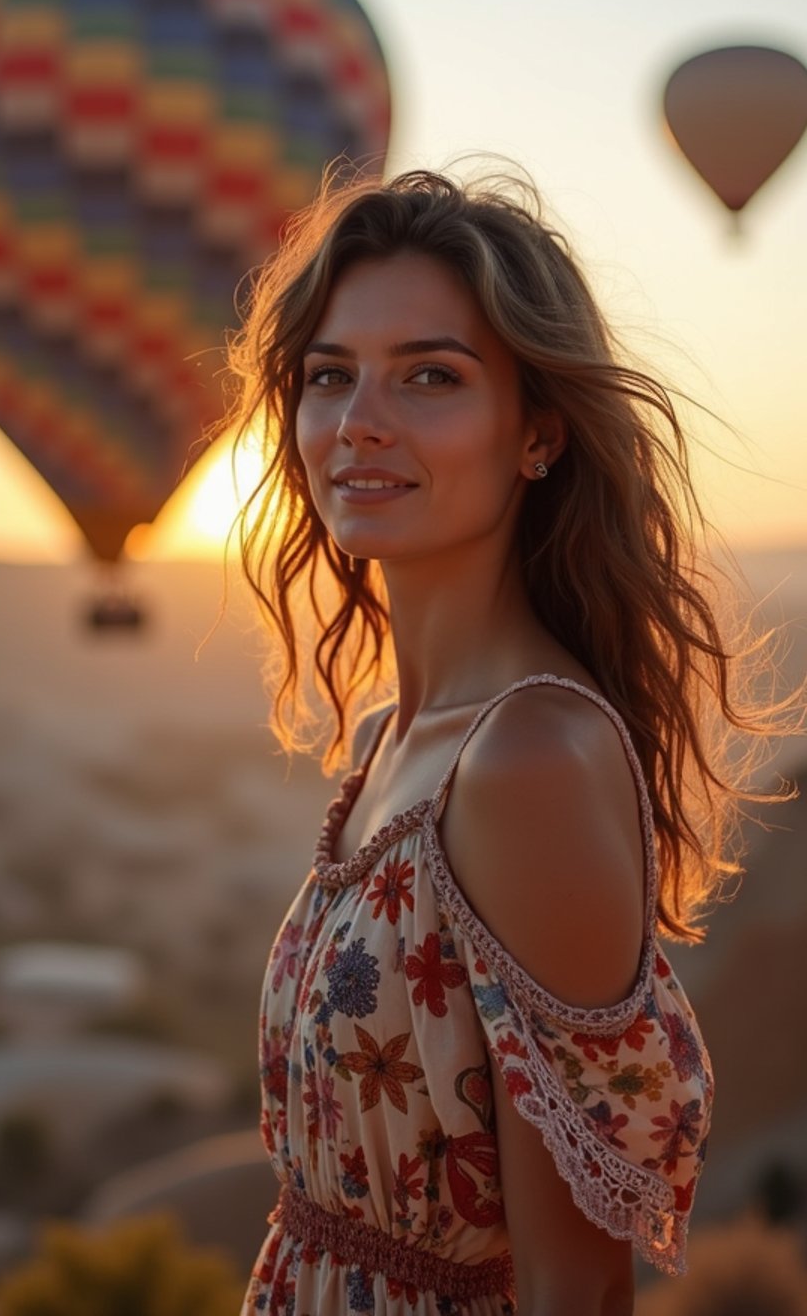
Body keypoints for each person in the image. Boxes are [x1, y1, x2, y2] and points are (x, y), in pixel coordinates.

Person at [225, 168, 792, 1316]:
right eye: (331, 376)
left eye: (430, 375)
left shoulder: (527, 757)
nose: (360, 420)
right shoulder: (397, 738)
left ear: (536, 434)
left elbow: (577, 1284)